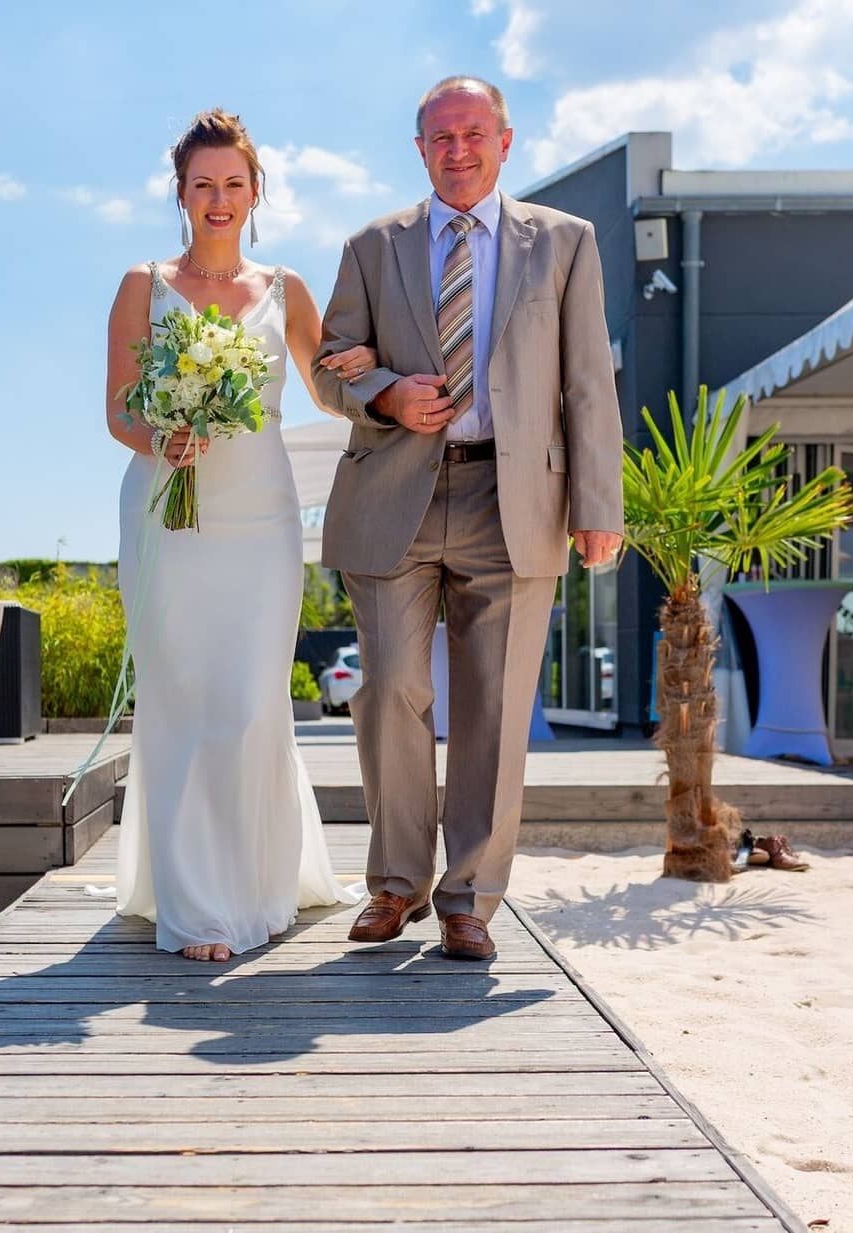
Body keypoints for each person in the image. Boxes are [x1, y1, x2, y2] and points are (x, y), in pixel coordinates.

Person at [312, 76, 624, 960]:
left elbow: (588, 381)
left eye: (473, 133)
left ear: (505, 141)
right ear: (420, 150)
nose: (457, 149)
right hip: (393, 497)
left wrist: (599, 505)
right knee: (391, 693)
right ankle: (396, 884)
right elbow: (329, 367)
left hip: (514, 499)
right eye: (440, 137)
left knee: (493, 708)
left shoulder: (564, 243)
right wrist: (384, 393)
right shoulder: (373, 246)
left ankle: (470, 901)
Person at [103, 109, 374, 962]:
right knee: (182, 695)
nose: (219, 199)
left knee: (253, 698)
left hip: (261, 517)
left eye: (234, 184)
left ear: (257, 192)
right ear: (180, 193)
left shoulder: (286, 288)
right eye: (202, 184)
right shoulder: (142, 284)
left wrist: (360, 369)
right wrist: (160, 436)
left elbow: (324, 390)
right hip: (167, 514)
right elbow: (117, 407)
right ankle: (199, 907)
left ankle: (259, 881)